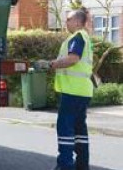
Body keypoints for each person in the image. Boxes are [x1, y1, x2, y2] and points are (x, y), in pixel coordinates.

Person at [50, 9, 93, 170]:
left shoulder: (78, 37)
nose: (66, 22)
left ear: (76, 21)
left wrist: (53, 64)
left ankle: (65, 165)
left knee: (65, 127)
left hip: (72, 91)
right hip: (83, 92)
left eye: (68, 19)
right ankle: (82, 165)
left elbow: (73, 58)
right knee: (79, 129)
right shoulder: (86, 38)